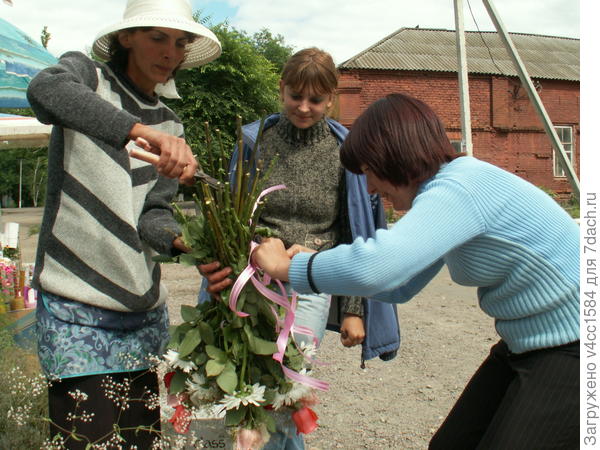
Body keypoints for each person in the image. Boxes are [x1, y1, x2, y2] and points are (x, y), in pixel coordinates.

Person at [253, 93, 580, 450]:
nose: (369, 188)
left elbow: (380, 268)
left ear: (391, 156)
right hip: (529, 344)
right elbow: (401, 284)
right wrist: (317, 259)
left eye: (367, 173)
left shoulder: (459, 188)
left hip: (574, 346)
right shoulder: (448, 191)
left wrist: (288, 267)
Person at [26, 0, 221, 447]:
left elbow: (152, 214)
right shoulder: (87, 76)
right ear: (125, 37)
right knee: (85, 440)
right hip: (77, 302)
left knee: (139, 441)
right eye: (157, 37)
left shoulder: (172, 122)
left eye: (180, 42)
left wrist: (184, 245)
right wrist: (138, 130)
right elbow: (43, 90)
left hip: (140, 306)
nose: (171, 52)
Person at [199, 48, 401, 449]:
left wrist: (355, 311)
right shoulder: (256, 143)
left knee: (287, 383)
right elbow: (236, 213)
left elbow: (354, 234)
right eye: (296, 96)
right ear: (282, 90)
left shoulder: (345, 153)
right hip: (254, 278)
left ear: (331, 98)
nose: (304, 107)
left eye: (316, 99)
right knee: (251, 384)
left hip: (312, 281)